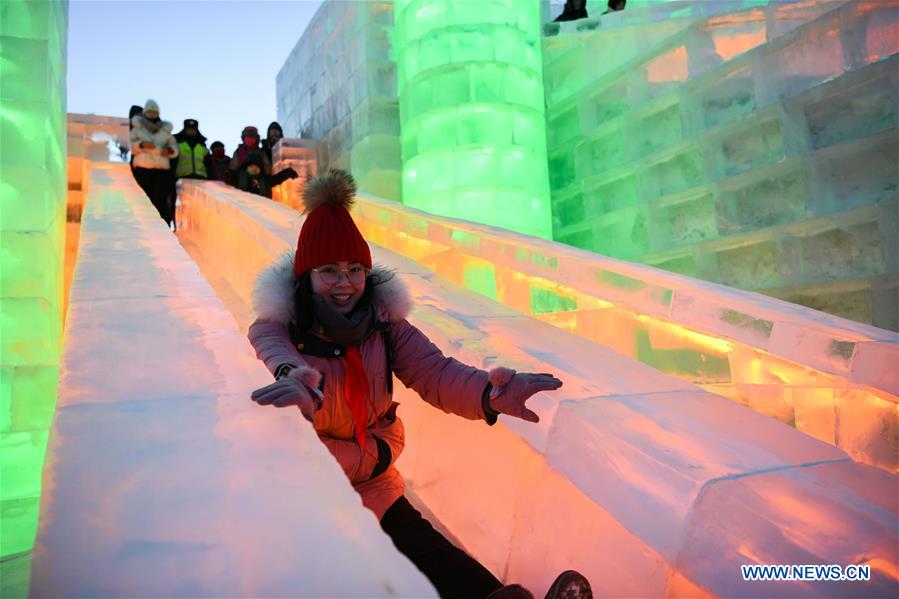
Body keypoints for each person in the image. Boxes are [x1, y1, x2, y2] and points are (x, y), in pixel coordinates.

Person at [247, 169, 592, 599]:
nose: (345, 283)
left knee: (439, 561)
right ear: (306, 275)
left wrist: (490, 393)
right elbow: (271, 351)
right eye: (329, 270)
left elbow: (435, 372)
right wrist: (295, 382)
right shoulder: (282, 327)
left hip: (375, 481)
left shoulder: (385, 325)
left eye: (355, 269)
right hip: (314, 490)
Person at [130, 99, 178, 228]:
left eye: (154, 111)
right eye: (149, 111)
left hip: (161, 170)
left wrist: (169, 151)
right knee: (143, 199)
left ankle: (162, 227)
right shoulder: (137, 129)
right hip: (143, 168)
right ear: (145, 112)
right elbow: (131, 146)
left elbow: (174, 149)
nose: (152, 114)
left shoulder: (165, 131)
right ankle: (142, 226)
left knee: (160, 200)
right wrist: (141, 145)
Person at [230, 125, 297, 198]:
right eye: (248, 137)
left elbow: (270, 176)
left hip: (262, 203)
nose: (250, 139)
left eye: (252, 137)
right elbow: (232, 173)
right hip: (246, 202)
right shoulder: (239, 154)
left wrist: (286, 173)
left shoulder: (262, 153)